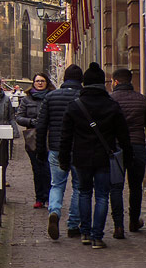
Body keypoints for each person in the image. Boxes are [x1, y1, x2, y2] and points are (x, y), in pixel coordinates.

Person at [58, 63, 131, 248]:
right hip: (104, 158)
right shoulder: (112, 106)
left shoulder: (75, 106)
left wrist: (63, 159)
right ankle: (97, 237)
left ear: (85, 83)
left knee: (84, 193)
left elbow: (65, 137)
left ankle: (85, 233)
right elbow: (123, 136)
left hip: (81, 158)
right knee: (102, 196)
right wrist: (127, 158)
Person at [36, 63, 84, 241]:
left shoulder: (51, 96)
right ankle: (73, 225)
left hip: (56, 148)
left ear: (64, 78)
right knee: (79, 187)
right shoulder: (83, 96)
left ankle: (54, 212)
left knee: (56, 185)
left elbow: (41, 126)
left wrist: (41, 150)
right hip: (79, 149)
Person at [109, 67, 146, 235]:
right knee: (136, 186)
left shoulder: (110, 100)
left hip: (116, 147)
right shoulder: (143, 100)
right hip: (137, 146)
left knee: (116, 186)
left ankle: (118, 225)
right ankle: (134, 221)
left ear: (115, 82)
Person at [15, 73, 53, 208]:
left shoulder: (51, 97)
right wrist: (31, 121)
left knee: (48, 169)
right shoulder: (27, 100)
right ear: (33, 83)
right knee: (37, 169)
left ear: (47, 83)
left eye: (42, 81)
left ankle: (49, 198)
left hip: (49, 136)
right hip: (33, 137)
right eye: (37, 81)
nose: (40, 83)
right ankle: (39, 198)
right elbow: (19, 117)